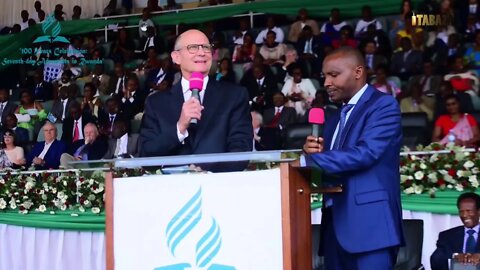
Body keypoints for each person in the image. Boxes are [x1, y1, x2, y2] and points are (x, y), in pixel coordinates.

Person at [300, 46, 404, 269]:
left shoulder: (383, 106)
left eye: (333, 75)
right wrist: (311, 156)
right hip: (335, 231)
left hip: (370, 228)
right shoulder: (335, 117)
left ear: (358, 72)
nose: (326, 82)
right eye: (324, 76)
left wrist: (308, 162)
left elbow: (366, 153)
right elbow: (326, 169)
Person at [139, 29, 252, 172]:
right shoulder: (156, 103)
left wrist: (206, 173)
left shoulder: (235, 96)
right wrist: (179, 128)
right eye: (193, 47)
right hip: (171, 189)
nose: (201, 52)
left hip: (219, 186)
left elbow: (241, 152)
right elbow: (146, 157)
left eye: (206, 47)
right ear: (176, 57)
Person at [431, 192, 480, 270]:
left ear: (478, 211)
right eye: (461, 211)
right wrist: (454, 256)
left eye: (469, 211)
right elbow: (435, 260)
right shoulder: (446, 235)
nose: (464, 215)